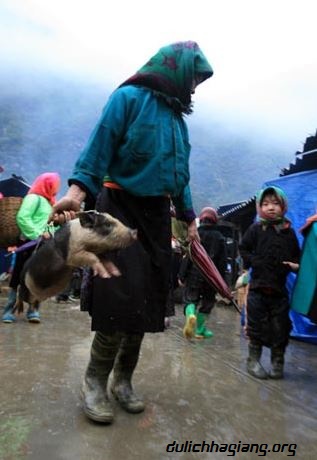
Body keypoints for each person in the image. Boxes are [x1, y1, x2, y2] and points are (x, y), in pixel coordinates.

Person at [49, 41, 213, 424]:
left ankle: (123, 381)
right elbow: (100, 144)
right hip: (120, 208)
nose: (193, 88)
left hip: (156, 216)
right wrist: (77, 190)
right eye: (192, 78)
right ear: (175, 70)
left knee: (147, 300)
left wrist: (189, 217)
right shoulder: (127, 98)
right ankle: (94, 380)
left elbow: (180, 174)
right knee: (119, 296)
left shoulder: (177, 120)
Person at [239, 185, 300, 379]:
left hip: (279, 291)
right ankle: (253, 361)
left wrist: (294, 265)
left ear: (283, 207)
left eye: (275, 203)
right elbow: (243, 248)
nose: (270, 208)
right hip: (257, 289)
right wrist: (253, 261)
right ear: (259, 208)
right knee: (256, 326)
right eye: (265, 204)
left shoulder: (289, 232)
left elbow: (297, 258)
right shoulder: (256, 229)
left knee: (280, 327)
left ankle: (277, 361)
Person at [1, 172, 61, 323]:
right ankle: (9, 309)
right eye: (54, 184)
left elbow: (50, 225)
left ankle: (33, 309)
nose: (56, 187)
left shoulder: (51, 203)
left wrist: (52, 231)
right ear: (47, 184)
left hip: (44, 245)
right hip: (28, 243)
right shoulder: (33, 198)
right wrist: (37, 233)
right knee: (18, 275)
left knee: (39, 277)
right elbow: (23, 217)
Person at [179, 207, 227, 339]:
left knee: (190, 299)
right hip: (211, 278)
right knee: (207, 302)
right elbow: (222, 263)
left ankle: (190, 316)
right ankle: (200, 330)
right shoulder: (220, 238)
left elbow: (189, 256)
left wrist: (181, 276)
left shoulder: (196, 234)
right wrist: (222, 282)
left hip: (194, 274)